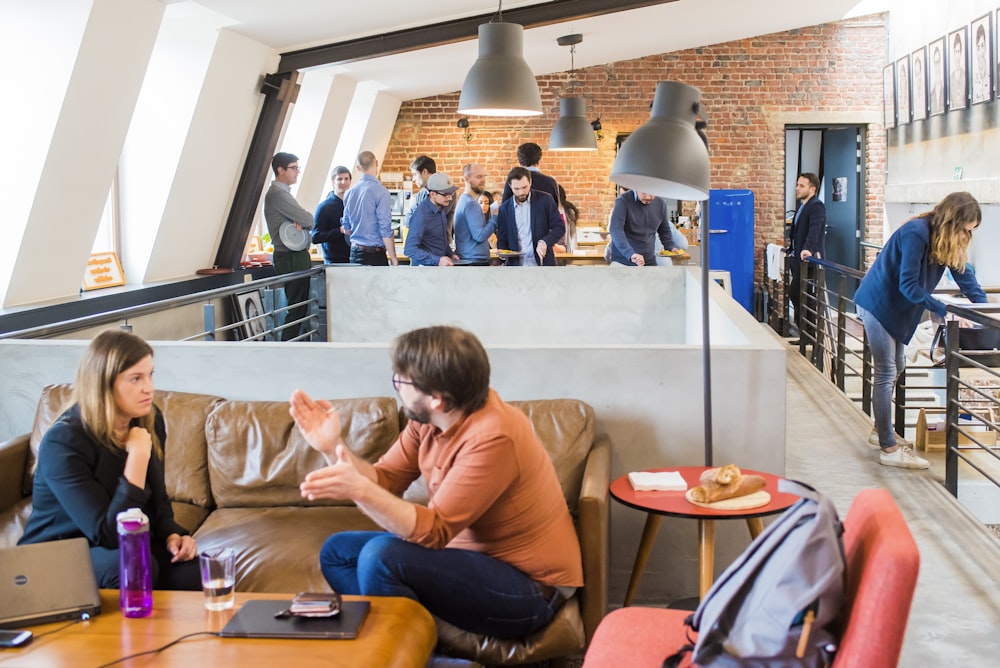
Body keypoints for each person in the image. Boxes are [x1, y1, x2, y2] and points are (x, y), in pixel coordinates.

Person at [291, 326, 583, 638]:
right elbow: (385, 480)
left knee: (381, 557)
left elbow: (434, 532)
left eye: (400, 381)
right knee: (337, 552)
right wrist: (331, 447)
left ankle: (403, 650)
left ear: (436, 399)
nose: (397, 389)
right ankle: (415, 643)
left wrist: (360, 490)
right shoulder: (429, 421)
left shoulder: (494, 436)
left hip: (530, 589)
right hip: (469, 562)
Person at [19, 330, 200, 590]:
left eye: (150, 375)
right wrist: (137, 458)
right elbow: (108, 535)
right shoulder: (64, 441)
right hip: (58, 553)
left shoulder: (149, 419)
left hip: (116, 546)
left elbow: (158, 502)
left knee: (194, 569)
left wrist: (174, 535)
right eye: (135, 379)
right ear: (103, 384)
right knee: (131, 563)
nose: (148, 388)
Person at [854, 192, 987, 469]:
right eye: (966, 229)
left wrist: (985, 312)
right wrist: (942, 308)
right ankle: (888, 448)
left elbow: (965, 276)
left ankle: (881, 429)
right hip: (877, 305)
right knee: (887, 371)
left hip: (898, 311)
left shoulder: (944, 240)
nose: (967, 236)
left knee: (898, 365)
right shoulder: (916, 233)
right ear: (953, 221)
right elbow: (909, 285)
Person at [263, 152, 315, 341]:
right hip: (290, 256)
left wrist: (300, 221)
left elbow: (304, 221)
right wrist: (300, 220)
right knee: (297, 307)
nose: (297, 172)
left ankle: (291, 345)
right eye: (294, 168)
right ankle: (287, 346)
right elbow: (309, 219)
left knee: (300, 307)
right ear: (280, 170)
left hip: (293, 255)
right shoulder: (278, 195)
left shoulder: (282, 194)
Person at [495, 167, 565, 267]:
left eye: (524, 187)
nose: (521, 192)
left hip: (542, 263)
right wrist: (502, 252)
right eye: (516, 189)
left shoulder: (545, 200)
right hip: (516, 266)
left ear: (530, 182)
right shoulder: (504, 209)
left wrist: (545, 242)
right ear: (510, 186)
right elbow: (502, 238)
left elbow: (559, 227)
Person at [787, 173, 826, 342]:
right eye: (797, 185)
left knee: (799, 294)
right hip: (797, 259)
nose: (797, 188)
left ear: (812, 189)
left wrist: (808, 249)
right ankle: (805, 333)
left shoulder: (816, 206)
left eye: (801, 186)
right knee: (799, 295)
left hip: (808, 261)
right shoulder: (803, 206)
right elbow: (797, 232)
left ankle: (809, 334)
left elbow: (815, 229)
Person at [342, 150, 398, 266]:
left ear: (358, 168)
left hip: (355, 253)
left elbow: (347, 228)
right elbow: (385, 230)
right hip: (375, 255)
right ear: (376, 163)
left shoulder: (349, 193)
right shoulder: (381, 192)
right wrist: (394, 258)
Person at [607, 189, 681, 267]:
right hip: (623, 262)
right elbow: (616, 230)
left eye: (652, 192)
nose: (648, 197)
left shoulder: (661, 204)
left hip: (649, 262)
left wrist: (670, 247)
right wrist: (630, 254)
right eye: (644, 192)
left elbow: (664, 230)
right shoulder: (623, 201)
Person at [403, 172, 459, 266]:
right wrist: (437, 260)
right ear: (432, 194)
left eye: (451, 193)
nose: (450, 198)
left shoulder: (440, 209)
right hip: (424, 272)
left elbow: (440, 240)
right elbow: (409, 250)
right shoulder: (421, 215)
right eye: (445, 194)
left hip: (437, 269)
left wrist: (450, 254)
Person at [454, 163, 496, 265]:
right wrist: (495, 218)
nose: (483, 180)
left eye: (484, 176)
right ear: (467, 178)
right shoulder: (470, 204)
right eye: (479, 177)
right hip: (474, 262)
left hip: (469, 259)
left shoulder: (464, 200)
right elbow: (480, 236)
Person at [312, 166, 352, 264]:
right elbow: (315, 237)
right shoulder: (323, 207)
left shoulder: (354, 205)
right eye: (340, 179)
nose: (343, 182)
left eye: (346, 179)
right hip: (334, 262)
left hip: (354, 259)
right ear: (333, 181)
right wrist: (340, 230)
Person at [554, 184, 580, 253]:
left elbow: (573, 233)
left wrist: (575, 251)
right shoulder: (546, 210)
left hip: (563, 245)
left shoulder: (568, 211)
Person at [973, 23, 990, 104]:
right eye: (978, 47)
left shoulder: (991, 75)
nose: (980, 52)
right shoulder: (974, 79)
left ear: (986, 46)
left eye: (982, 46)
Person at [949, 33, 966, 110]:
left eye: (959, 51)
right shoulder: (951, 78)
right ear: (953, 53)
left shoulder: (965, 75)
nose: (957, 56)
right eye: (956, 51)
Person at [930, 44, 945, 115]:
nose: (937, 66)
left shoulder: (946, 91)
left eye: (938, 62)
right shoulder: (931, 94)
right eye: (935, 62)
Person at [912, 51, 926, 120]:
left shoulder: (925, 92)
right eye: (916, 74)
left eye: (919, 73)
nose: (918, 77)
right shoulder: (913, 94)